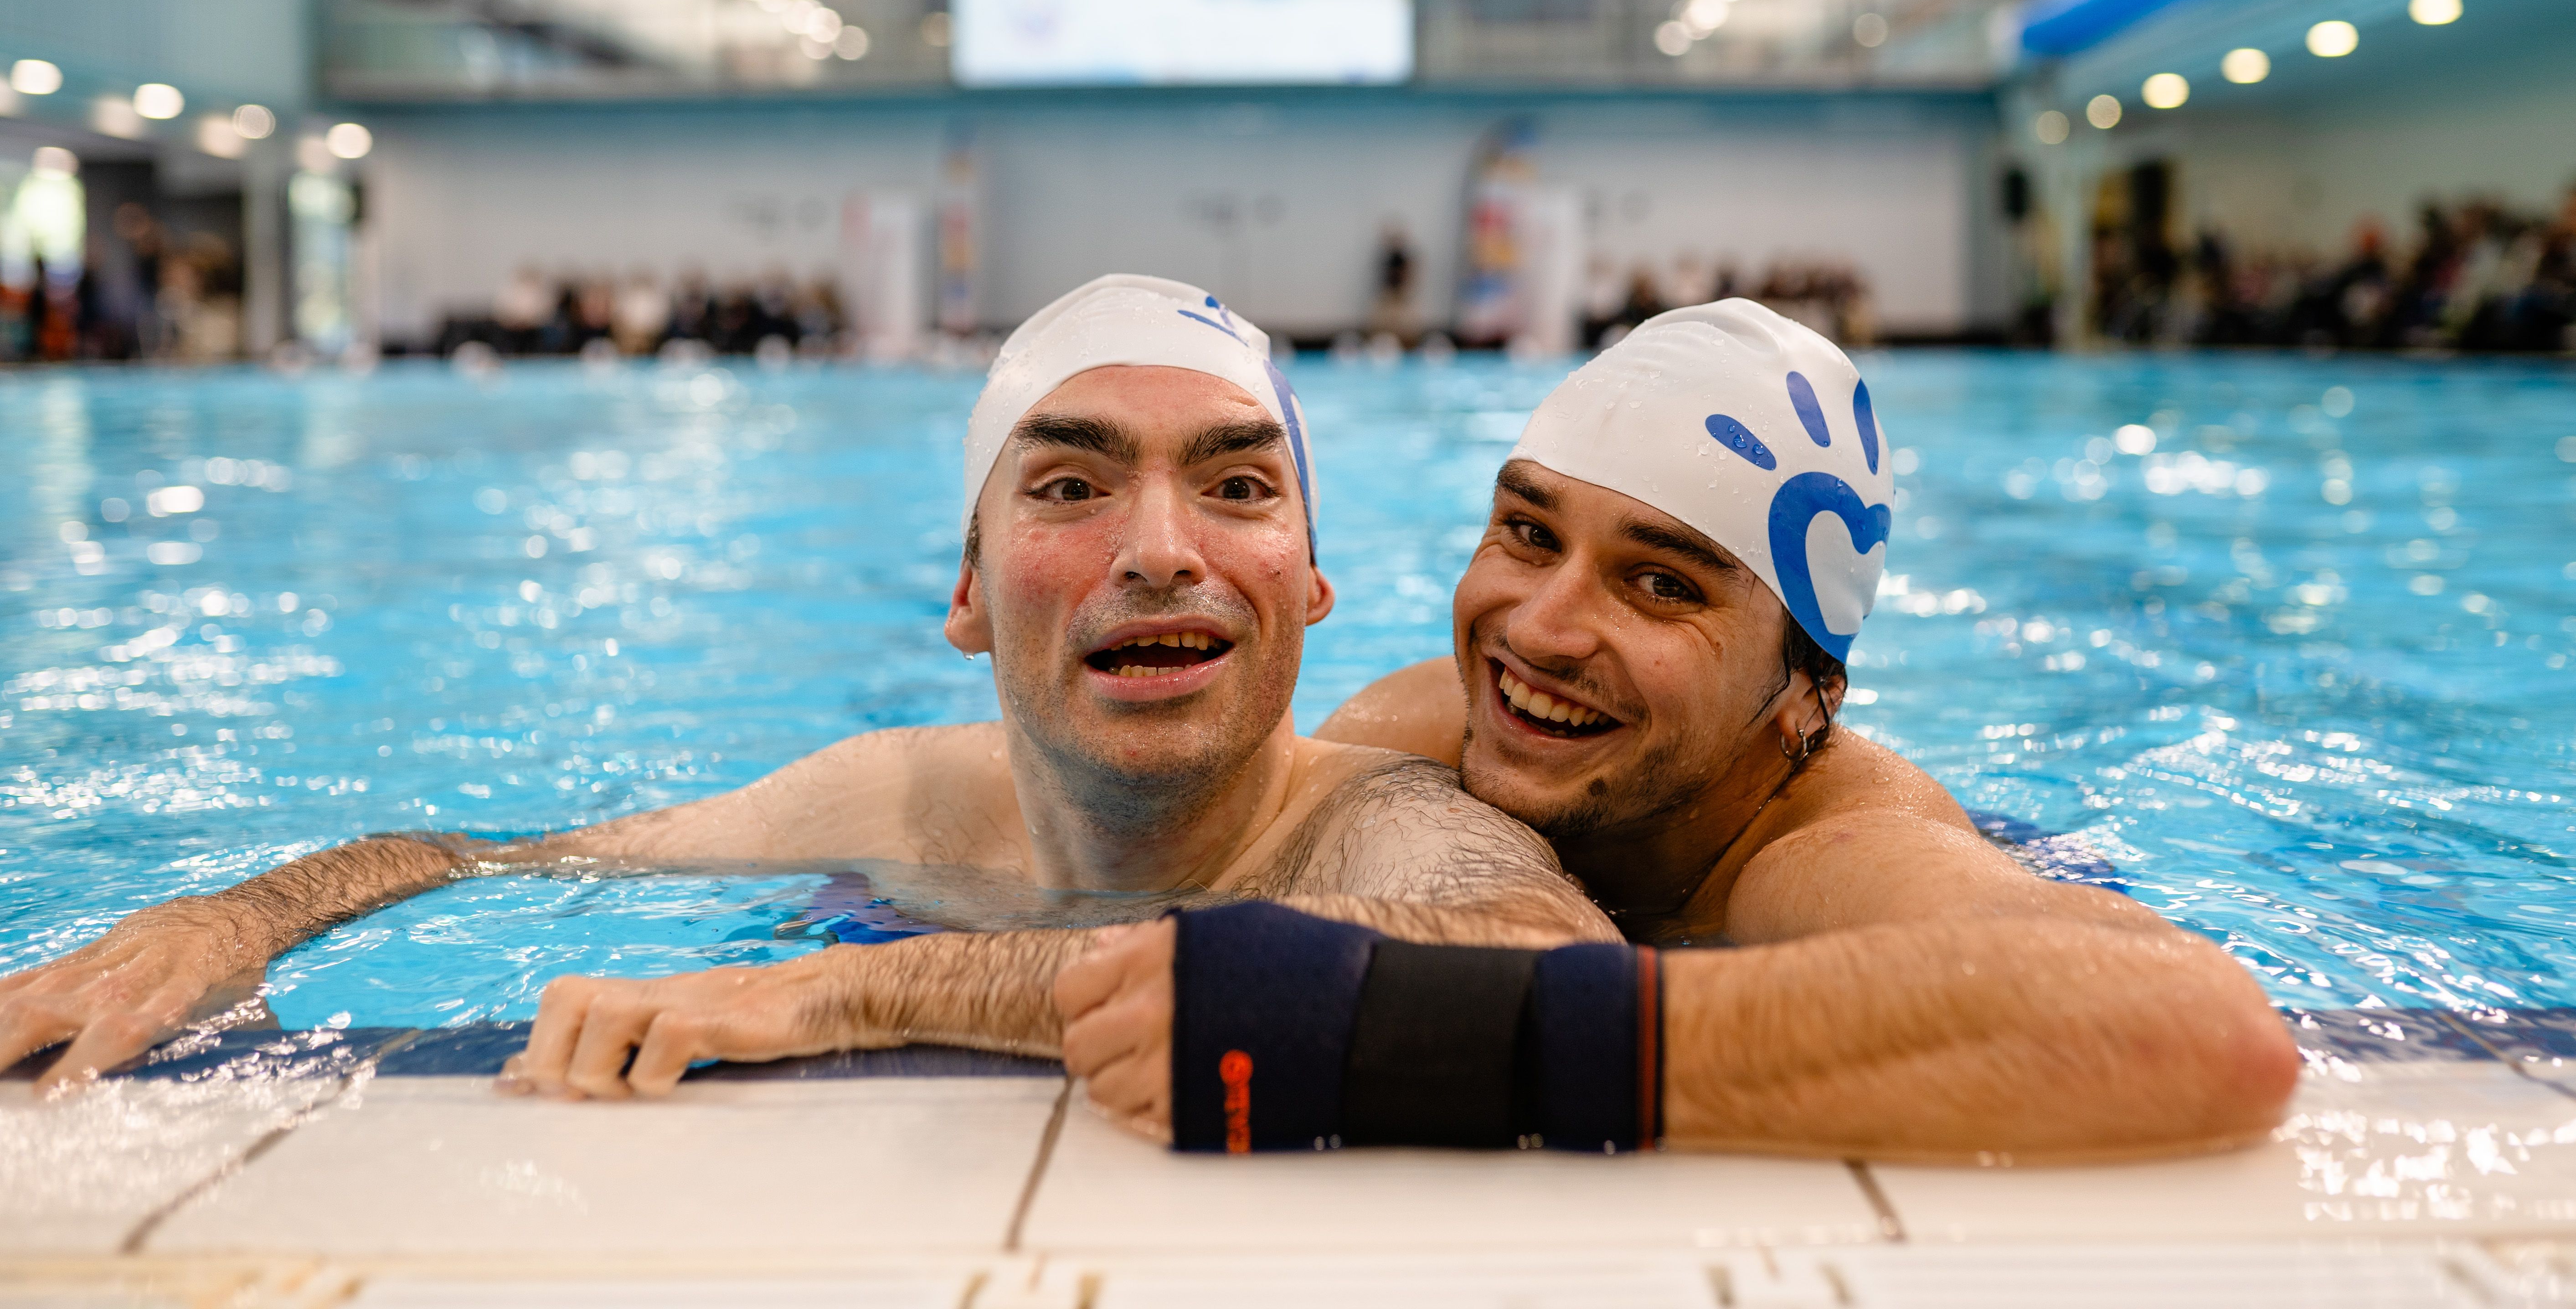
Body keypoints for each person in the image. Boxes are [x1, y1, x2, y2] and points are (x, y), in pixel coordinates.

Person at [0, 274, 1608, 1096]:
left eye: (1239, 489)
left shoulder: (1378, 828)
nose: (1161, 552)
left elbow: (1562, 984)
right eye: (1070, 488)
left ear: (1311, 583)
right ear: (967, 598)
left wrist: (858, 992)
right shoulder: (893, 796)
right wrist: (227, 920)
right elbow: (467, 862)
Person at [1056, 299, 2299, 1160]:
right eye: (1529, 534)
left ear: (1808, 691)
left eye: (1661, 584)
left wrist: (1449, 1031)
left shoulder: (1823, 858)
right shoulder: (1426, 726)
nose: (1541, 630)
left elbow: (2210, 1033)